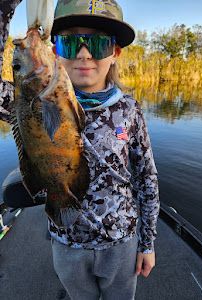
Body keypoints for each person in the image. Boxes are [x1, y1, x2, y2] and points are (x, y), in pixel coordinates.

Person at [1, 1, 160, 299]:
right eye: (71, 42)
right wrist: (5, 8)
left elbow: (146, 179)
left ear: (114, 54)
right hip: (66, 243)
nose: (85, 54)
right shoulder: (28, 99)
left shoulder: (129, 111)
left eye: (98, 43)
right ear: (55, 50)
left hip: (120, 243)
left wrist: (146, 243)